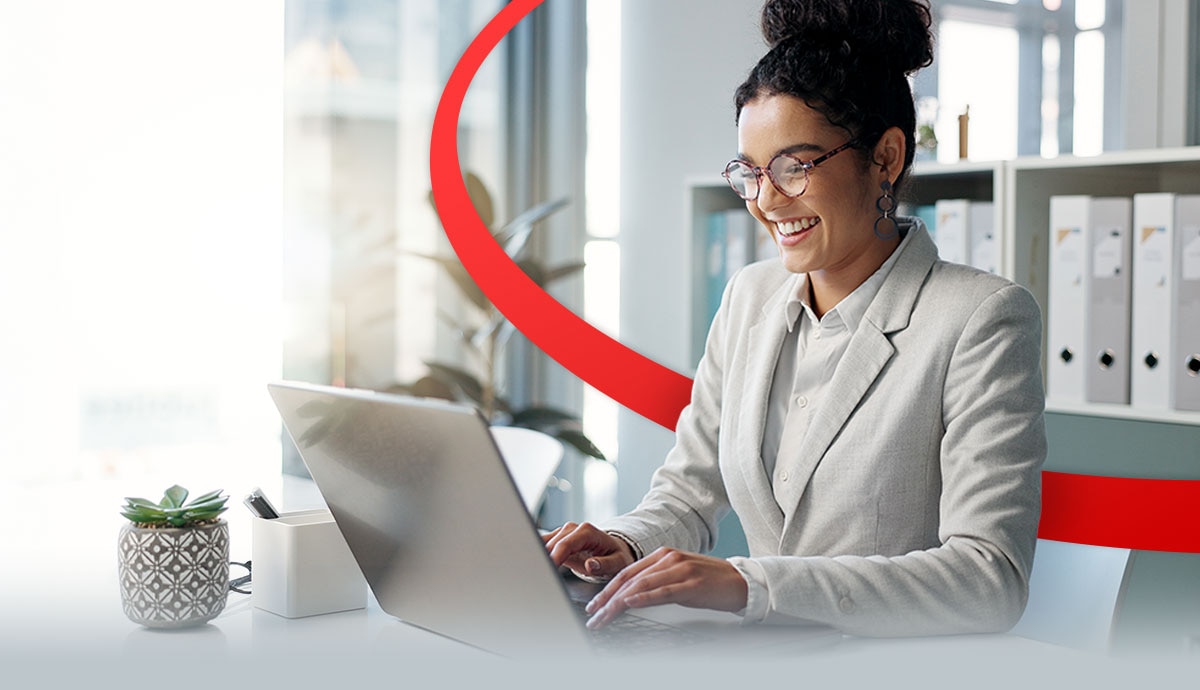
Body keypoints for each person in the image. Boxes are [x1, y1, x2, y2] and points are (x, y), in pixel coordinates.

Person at [544, 0, 1045, 637]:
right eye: (751, 173)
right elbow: (688, 490)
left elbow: (988, 579)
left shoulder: (980, 319)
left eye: (794, 167)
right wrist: (626, 543)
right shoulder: (749, 297)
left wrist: (752, 584)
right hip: (761, 659)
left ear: (886, 158)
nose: (767, 200)